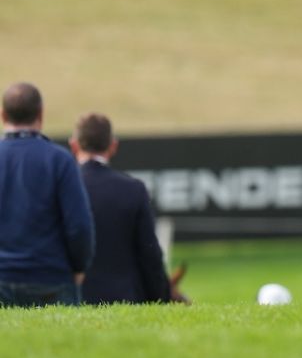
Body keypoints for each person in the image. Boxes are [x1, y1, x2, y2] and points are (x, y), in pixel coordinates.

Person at [0, 82, 94, 307]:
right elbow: (79, 225)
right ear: (41, 114)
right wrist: (79, 266)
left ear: (2, 115)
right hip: (50, 280)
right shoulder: (59, 160)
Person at [69, 112, 176, 304]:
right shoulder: (133, 190)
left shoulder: (62, 188)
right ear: (113, 146)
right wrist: (161, 298)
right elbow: (150, 255)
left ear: (74, 145)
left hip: (71, 299)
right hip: (125, 298)